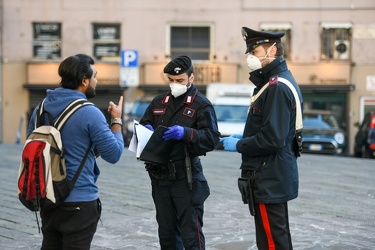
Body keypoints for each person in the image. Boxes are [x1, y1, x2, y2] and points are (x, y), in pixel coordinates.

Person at [27, 54, 124, 250]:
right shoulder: (90, 112)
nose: (96, 81)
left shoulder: (40, 109)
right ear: (84, 81)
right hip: (79, 200)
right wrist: (116, 122)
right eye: (95, 76)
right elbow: (113, 154)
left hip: (47, 198)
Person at [220, 27, 303, 250]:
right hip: (272, 174)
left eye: (254, 52)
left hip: (269, 175)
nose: (250, 58)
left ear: (272, 50)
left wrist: (239, 144)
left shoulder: (276, 87)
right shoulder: (274, 82)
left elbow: (272, 139)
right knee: (275, 237)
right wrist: (246, 136)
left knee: (272, 242)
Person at [139, 55, 220, 250]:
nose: (175, 84)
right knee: (167, 235)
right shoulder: (159, 102)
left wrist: (187, 133)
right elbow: (144, 123)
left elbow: (211, 138)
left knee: (191, 234)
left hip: (186, 177)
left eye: (180, 80)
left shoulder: (201, 104)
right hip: (160, 177)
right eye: (172, 81)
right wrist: (145, 130)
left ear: (191, 78)